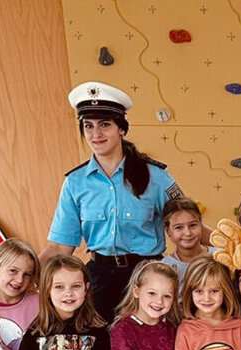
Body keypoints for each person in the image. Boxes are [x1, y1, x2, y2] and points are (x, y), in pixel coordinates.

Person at [43, 81, 185, 322]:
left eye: (105, 125)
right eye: (88, 126)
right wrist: (20, 275)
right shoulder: (75, 183)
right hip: (99, 280)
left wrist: (232, 245)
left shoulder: (156, 176)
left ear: (122, 128)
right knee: (102, 348)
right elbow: (60, 247)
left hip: (147, 277)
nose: (96, 134)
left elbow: (187, 225)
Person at [161, 197, 215, 288]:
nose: (188, 233)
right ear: (168, 231)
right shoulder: (165, 268)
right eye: (178, 227)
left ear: (201, 225)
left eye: (193, 225)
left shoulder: (220, 256)